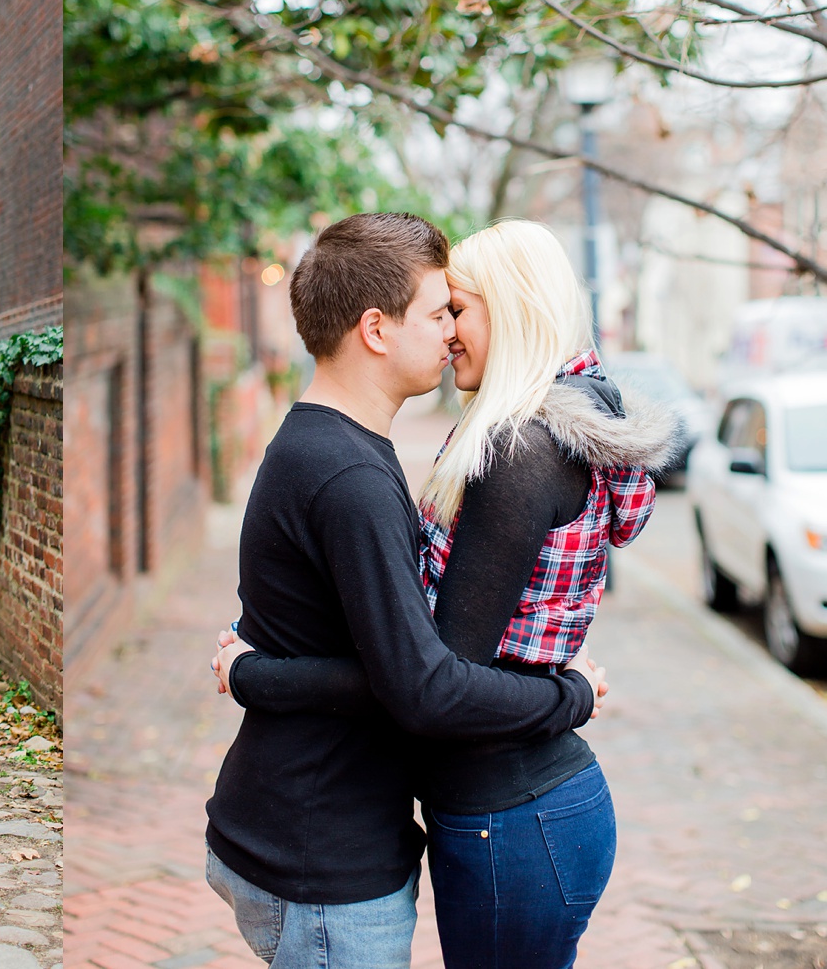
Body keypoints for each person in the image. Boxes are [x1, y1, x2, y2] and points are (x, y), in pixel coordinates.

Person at [214, 220, 675, 968]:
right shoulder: (382, 457)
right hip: (487, 806)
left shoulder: (519, 450)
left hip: (516, 806)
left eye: (458, 310)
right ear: (375, 329)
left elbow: (425, 684)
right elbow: (410, 661)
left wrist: (254, 673)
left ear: (513, 310)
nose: (451, 333)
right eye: (442, 313)